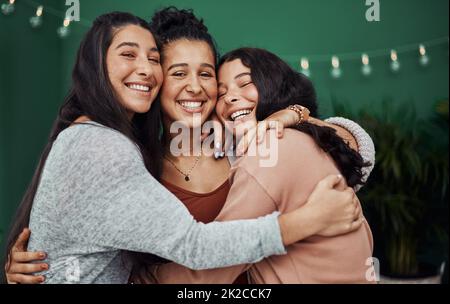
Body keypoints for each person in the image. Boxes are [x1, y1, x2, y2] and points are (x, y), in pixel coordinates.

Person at [2, 12, 364, 284]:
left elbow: (357, 148)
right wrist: (47, 266)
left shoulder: (241, 142)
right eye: (178, 73)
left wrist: (291, 116)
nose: (195, 87)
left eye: (206, 74)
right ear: (156, 83)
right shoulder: (135, 163)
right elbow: (103, 252)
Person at [150, 47, 375, 284]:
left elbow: (210, 271)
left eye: (245, 83)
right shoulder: (298, 140)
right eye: (222, 93)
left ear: (272, 83)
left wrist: (145, 278)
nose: (230, 97)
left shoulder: (269, 150)